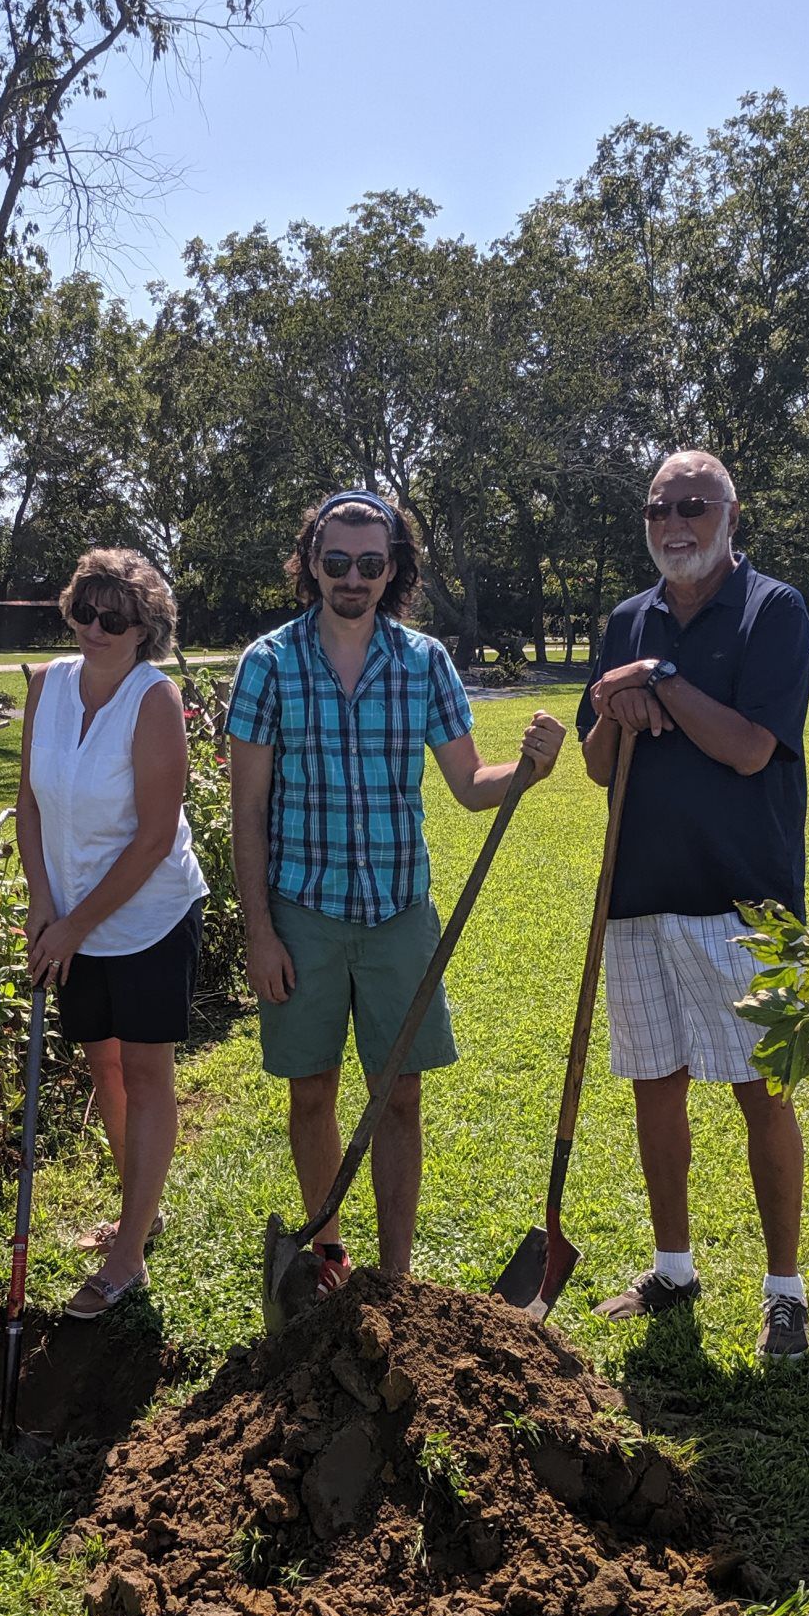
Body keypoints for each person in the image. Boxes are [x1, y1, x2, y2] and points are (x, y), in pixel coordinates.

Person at [227, 490, 564, 1287]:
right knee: (311, 1092)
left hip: (397, 913)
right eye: (335, 561)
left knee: (398, 1098)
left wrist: (528, 769)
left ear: (392, 569)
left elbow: (469, 784)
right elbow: (245, 813)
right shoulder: (268, 663)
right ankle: (329, 1255)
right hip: (301, 912)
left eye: (369, 563)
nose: (351, 577)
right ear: (310, 563)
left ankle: (395, 1276)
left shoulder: (422, 662)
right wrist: (259, 934)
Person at [577, 450, 809, 1358]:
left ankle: (783, 1289)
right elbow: (600, 766)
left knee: (763, 1092)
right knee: (654, 1088)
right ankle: (672, 1267)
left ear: (729, 515)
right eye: (657, 508)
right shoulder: (625, 619)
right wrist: (611, 699)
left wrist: (661, 681)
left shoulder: (771, 610)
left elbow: (752, 749)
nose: (673, 523)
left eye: (692, 506)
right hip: (638, 898)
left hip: (741, 899)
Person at [18, 548, 209, 1319]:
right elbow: (27, 800)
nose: (96, 628)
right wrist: (41, 902)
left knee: (144, 1068)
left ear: (144, 630)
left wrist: (74, 926)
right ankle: (141, 1206)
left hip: (147, 914)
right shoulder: (47, 685)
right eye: (84, 610)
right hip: (65, 916)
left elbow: (155, 837)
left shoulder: (152, 699)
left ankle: (126, 1254)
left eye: (115, 617)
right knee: (102, 1066)